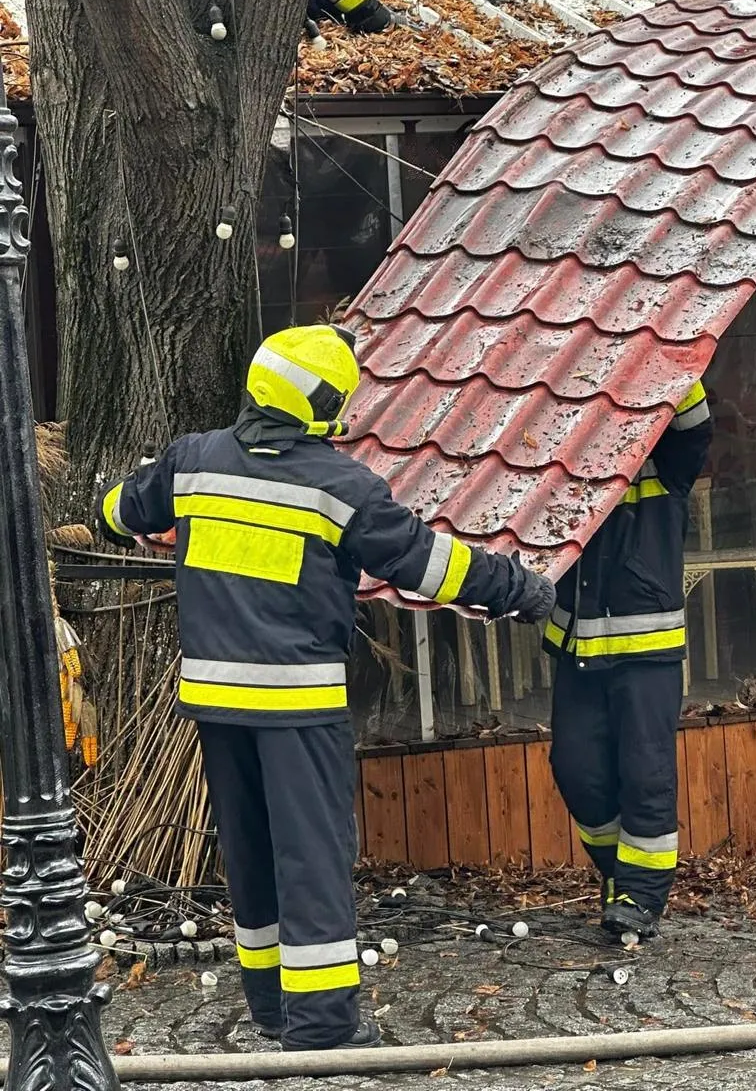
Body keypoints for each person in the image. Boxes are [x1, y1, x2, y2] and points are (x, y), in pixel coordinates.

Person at [97, 325, 555, 1052]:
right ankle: (322, 1025)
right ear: (324, 406)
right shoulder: (339, 487)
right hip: (296, 705)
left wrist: (138, 518)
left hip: (215, 702)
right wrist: (521, 589)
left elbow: (119, 512)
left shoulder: (192, 463)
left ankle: (273, 1009)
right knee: (310, 856)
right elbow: (427, 566)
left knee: (250, 853)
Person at [544, 381, 712, 941]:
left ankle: (639, 899)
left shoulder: (668, 462)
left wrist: (652, 358)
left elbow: (693, 420)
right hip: (577, 647)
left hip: (646, 650)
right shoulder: (564, 458)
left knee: (646, 775)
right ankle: (619, 876)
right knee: (576, 770)